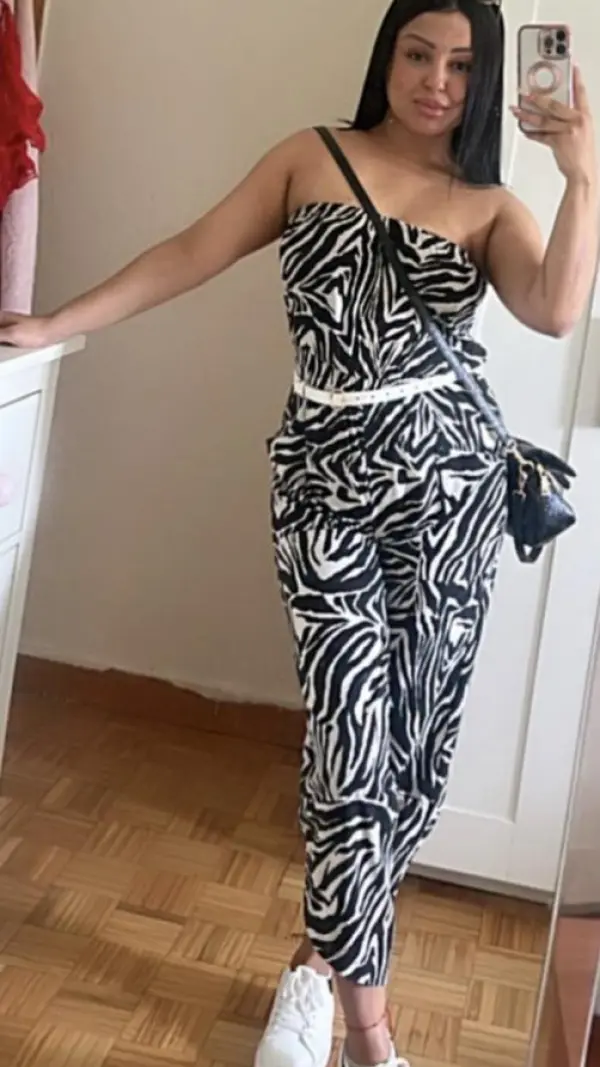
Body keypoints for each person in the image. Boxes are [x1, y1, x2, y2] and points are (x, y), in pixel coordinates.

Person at [1, 1, 597, 1065]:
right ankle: (372, 1033)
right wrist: (56, 322)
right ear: (388, 55)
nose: (437, 81)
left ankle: (317, 966)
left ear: (487, 79)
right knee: (349, 743)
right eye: (418, 53)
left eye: (464, 65)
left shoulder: (490, 204)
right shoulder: (310, 158)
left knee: (410, 757)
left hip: (449, 495)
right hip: (323, 488)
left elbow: (555, 312)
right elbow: (191, 251)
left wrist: (582, 174)